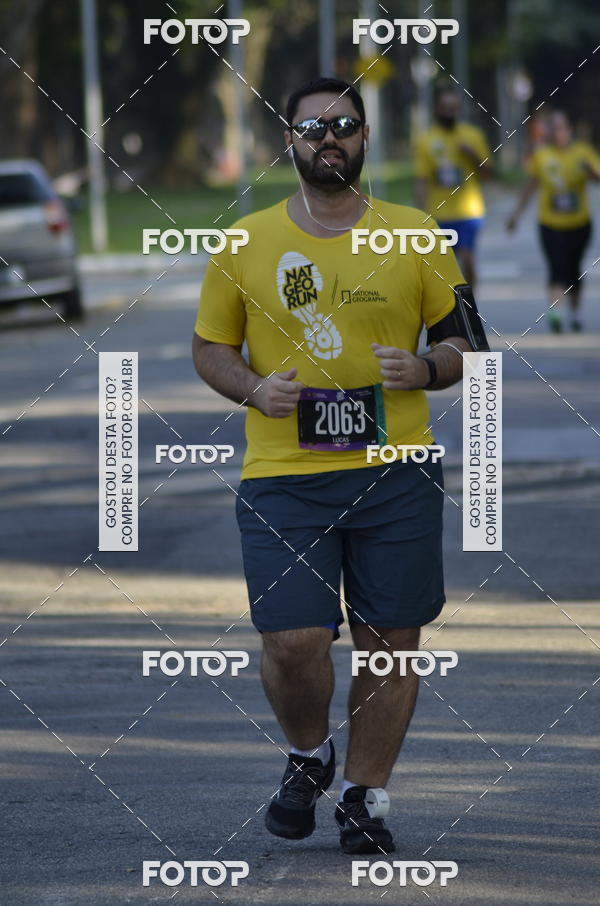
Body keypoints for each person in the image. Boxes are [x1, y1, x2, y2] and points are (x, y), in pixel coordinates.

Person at [192, 77, 474, 854]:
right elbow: (210, 348)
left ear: (365, 138)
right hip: (284, 474)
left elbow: (468, 341)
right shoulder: (244, 239)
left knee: (391, 639)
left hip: (397, 471)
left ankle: (362, 794)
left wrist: (425, 370)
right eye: (313, 126)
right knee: (292, 641)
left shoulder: (417, 233)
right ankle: (309, 754)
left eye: (344, 124)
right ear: (288, 139)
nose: (329, 137)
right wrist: (253, 387)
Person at [507, 110, 600, 332]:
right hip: (550, 223)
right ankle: (555, 314)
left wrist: (589, 171)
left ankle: (575, 314)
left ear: (569, 130)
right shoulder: (542, 156)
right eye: (554, 129)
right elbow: (531, 186)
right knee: (556, 267)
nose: (559, 133)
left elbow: (597, 179)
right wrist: (516, 215)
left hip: (579, 223)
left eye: (562, 128)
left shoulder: (583, 152)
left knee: (573, 269)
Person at [414, 82, 492, 288]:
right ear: (437, 110)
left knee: (467, 260)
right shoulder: (426, 140)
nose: (449, 113)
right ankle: (450, 306)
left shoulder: (472, 136)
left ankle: (470, 303)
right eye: (445, 108)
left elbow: (488, 174)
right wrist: (420, 213)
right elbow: (422, 179)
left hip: (469, 212)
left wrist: (472, 154)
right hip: (439, 214)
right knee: (444, 268)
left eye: (453, 108)